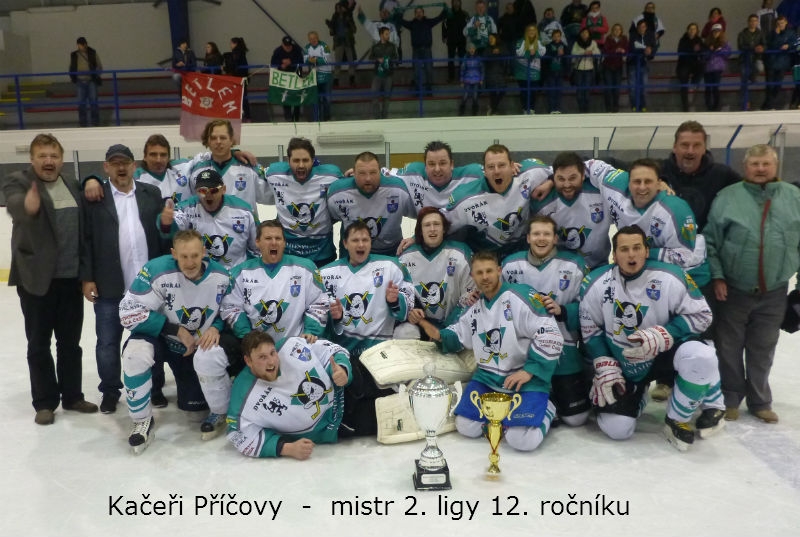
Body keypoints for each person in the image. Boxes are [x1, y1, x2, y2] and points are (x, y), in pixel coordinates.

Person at [580, 225, 724, 451]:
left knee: (702, 356)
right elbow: (590, 329)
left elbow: (702, 315)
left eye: (637, 248)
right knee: (617, 429)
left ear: (647, 251)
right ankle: (638, 394)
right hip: (624, 362)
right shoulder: (595, 282)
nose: (631, 254)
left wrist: (665, 334)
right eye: (624, 249)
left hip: (664, 354)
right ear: (614, 255)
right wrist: (604, 363)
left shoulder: (671, 276)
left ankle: (677, 418)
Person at [417, 250, 563, 452]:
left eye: (489, 271)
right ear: (473, 276)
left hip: (524, 380)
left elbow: (550, 333)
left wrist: (529, 370)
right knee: (466, 426)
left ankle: (547, 407)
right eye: (479, 273)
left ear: (499, 271)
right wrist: (436, 333)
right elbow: (458, 334)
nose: (485, 277)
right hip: (488, 380)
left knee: (522, 441)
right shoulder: (473, 306)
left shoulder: (521, 296)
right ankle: (506, 415)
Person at [2, 133, 98, 425]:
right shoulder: (19, 181)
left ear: (62, 159)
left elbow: (84, 228)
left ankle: (72, 396)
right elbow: (14, 204)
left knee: (70, 343)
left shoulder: (71, 183)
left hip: (70, 279)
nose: (48, 161)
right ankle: (44, 402)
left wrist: (92, 178)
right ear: (32, 160)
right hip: (36, 279)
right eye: (42, 156)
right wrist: (27, 206)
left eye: (53, 156)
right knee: (39, 344)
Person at [704, 144, 800, 424]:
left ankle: (760, 401)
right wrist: (718, 276)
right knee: (728, 346)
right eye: (755, 164)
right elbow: (710, 241)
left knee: (763, 347)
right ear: (745, 167)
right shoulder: (728, 197)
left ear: (775, 166)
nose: (760, 169)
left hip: (775, 290)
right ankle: (730, 397)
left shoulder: (794, 197)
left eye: (766, 163)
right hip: (733, 289)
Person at [119, 229, 231, 453]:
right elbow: (127, 313)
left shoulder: (222, 277)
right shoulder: (155, 270)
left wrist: (216, 327)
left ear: (204, 252)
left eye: (195, 256)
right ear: (173, 254)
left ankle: (216, 405)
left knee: (194, 412)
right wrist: (174, 329)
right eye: (184, 256)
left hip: (193, 349)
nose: (190, 263)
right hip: (160, 339)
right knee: (135, 354)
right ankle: (141, 420)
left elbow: (230, 311)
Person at [79, 144, 167, 415]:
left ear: (133, 166)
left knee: (152, 339)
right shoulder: (96, 197)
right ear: (106, 167)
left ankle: (155, 387)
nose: (120, 167)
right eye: (114, 163)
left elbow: (161, 235)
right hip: (110, 285)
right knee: (107, 343)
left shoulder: (151, 193)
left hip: (148, 289)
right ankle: (110, 391)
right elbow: (86, 240)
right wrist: (87, 278)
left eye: (125, 162)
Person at [320, 221, 415, 434]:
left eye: (365, 240)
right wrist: (336, 318)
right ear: (345, 243)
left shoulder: (391, 266)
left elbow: (408, 302)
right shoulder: (326, 273)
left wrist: (395, 301)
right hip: (346, 354)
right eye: (355, 240)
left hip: (379, 354)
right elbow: (317, 318)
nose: (361, 244)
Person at [502, 215, 590, 426]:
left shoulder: (575, 265)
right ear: (528, 238)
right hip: (524, 355)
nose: (541, 239)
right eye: (536, 234)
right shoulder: (510, 264)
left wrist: (563, 310)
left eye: (547, 234)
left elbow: (590, 309)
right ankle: (549, 407)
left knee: (577, 418)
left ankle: (555, 399)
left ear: (555, 239)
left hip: (564, 352)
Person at [226, 331, 351, 458]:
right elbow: (237, 434)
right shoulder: (241, 395)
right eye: (262, 357)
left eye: (272, 353)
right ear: (248, 361)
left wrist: (343, 369)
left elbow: (331, 350)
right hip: (336, 426)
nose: (271, 362)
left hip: (345, 389)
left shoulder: (291, 345)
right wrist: (287, 448)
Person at [445, 144, 551, 258]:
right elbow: (442, 225)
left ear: (512, 166)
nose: (496, 171)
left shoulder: (530, 173)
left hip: (523, 253)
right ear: (484, 171)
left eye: (502, 165)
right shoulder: (464, 199)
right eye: (491, 167)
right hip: (486, 259)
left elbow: (560, 172)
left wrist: (550, 182)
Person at [159, 169, 260, 271]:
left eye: (213, 190)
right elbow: (173, 224)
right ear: (196, 191)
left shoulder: (244, 210)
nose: (208, 195)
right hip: (199, 273)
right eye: (202, 191)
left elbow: (257, 247)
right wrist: (166, 223)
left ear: (223, 189)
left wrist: (247, 271)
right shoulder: (187, 207)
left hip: (237, 273)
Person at [264, 137, 343, 266]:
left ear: (313, 160)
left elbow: (349, 185)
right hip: (288, 255)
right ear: (288, 161)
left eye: (305, 160)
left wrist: (354, 175)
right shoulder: (274, 174)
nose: (301, 165)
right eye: (296, 160)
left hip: (323, 255)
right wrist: (237, 152)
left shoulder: (332, 176)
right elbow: (251, 170)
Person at [399, 207, 477, 334]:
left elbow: (469, 296)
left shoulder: (462, 253)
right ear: (420, 231)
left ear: (444, 229)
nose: (432, 229)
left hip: (455, 325)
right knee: (403, 333)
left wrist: (447, 330)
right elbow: (402, 297)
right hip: (421, 326)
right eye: (427, 225)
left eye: (436, 224)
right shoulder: (406, 257)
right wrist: (411, 313)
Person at [531, 151, 611, 269]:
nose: (567, 185)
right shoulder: (541, 201)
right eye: (561, 179)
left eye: (572, 178)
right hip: (558, 270)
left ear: (583, 175)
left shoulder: (601, 192)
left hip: (599, 267)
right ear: (554, 177)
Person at [327, 151, 415, 256]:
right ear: (353, 173)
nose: (368, 178)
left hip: (390, 253)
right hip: (352, 255)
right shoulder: (337, 193)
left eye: (373, 172)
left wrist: (415, 238)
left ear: (380, 171)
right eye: (362, 173)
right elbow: (328, 220)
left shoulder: (399, 190)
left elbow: (424, 215)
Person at [188, 119, 272, 212]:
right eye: (213, 138)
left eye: (223, 138)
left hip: (245, 221)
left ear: (231, 140)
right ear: (207, 141)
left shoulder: (249, 168)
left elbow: (273, 195)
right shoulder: (197, 169)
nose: (218, 142)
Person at [387, 140, 484, 213]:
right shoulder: (413, 173)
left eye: (442, 163)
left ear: (451, 164)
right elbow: (385, 174)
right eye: (432, 164)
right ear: (425, 167)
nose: (437, 169)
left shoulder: (473, 174)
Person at [399, 6, 447, 95]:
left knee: (429, 70)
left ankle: (429, 90)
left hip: (427, 50)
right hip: (416, 51)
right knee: (416, 72)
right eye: (417, 12)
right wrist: (398, 13)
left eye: (420, 12)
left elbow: (439, 18)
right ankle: (417, 90)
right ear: (415, 14)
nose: (418, 13)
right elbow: (400, 21)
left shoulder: (428, 22)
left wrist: (445, 10)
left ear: (423, 13)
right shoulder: (412, 24)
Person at [762, 15, 795, 110]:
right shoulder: (772, 33)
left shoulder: (791, 33)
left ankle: (768, 105)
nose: (781, 25)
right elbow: (770, 45)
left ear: (786, 22)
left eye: (782, 23)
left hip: (783, 63)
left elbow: (795, 42)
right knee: (770, 85)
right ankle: (768, 105)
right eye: (779, 23)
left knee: (777, 85)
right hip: (771, 63)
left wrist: (788, 46)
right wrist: (776, 35)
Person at [68, 37, 102, 127]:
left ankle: (95, 123)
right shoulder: (74, 55)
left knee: (93, 103)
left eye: (81, 45)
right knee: (81, 104)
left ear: (85, 44)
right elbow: (71, 67)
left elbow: (99, 66)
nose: (80, 47)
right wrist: (73, 77)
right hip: (80, 81)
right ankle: (83, 124)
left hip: (91, 81)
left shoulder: (92, 53)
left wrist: (95, 75)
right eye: (79, 45)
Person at [271, 36, 305, 122]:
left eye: (289, 45)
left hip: (296, 76)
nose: (288, 47)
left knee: (297, 96)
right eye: (286, 46)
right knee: (285, 96)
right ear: (282, 44)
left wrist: (291, 62)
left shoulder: (297, 49)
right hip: (284, 77)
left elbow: (301, 61)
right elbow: (273, 62)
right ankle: (288, 117)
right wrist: (281, 63)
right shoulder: (278, 51)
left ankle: (296, 117)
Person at [368, 26, 399, 119]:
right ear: (381, 35)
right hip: (377, 74)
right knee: (374, 96)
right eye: (386, 34)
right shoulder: (375, 47)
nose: (388, 36)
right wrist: (377, 59)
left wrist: (388, 59)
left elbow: (396, 58)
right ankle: (377, 117)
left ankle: (384, 118)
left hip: (388, 74)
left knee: (387, 97)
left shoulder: (392, 46)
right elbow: (370, 58)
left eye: (388, 34)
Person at [513, 24, 545, 114]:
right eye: (530, 30)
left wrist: (535, 53)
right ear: (526, 32)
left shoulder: (539, 41)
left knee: (533, 91)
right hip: (522, 72)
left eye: (533, 30)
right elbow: (519, 52)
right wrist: (529, 53)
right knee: (524, 92)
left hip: (535, 71)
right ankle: (525, 108)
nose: (531, 32)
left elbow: (543, 51)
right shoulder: (521, 41)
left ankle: (531, 108)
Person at [325, 0, 358, 87]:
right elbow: (332, 33)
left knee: (351, 61)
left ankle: (352, 78)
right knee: (338, 62)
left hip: (348, 42)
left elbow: (354, 29)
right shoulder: (335, 17)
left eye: (340, 7)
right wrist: (330, 27)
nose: (339, 9)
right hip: (339, 42)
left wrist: (348, 21)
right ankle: (336, 79)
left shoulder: (348, 16)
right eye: (337, 8)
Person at [738, 14, 766, 111]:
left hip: (756, 58)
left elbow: (765, 44)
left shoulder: (760, 33)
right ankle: (745, 103)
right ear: (748, 22)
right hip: (745, 59)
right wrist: (753, 48)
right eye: (751, 21)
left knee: (760, 68)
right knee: (744, 81)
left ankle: (752, 77)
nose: (753, 22)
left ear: (757, 22)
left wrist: (762, 48)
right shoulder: (742, 34)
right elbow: (741, 46)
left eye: (755, 21)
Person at [304, 31, 334, 122]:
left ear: (318, 37)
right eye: (311, 39)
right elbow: (305, 60)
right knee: (315, 99)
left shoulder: (324, 46)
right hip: (313, 77)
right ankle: (317, 119)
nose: (313, 40)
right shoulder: (307, 47)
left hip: (326, 76)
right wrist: (313, 60)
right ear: (308, 39)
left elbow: (327, 59)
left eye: (314, 38)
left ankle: (327, 118)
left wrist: (314, 60)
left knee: (327, 98)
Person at [628, 19, 657, 112]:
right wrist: (644, 50)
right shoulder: (633, 36)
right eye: (640, 27)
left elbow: (654, 48)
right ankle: (634, 106)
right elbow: (632, 47)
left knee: (644, 87)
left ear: (646, 28)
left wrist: (650, 51)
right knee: (632, 87)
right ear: (637, 28)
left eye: (643, 27)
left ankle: (643, 106)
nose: (641, 29)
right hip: (633, 63)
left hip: (644, 64)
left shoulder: (650, 36)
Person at [676, 23, 705, 112]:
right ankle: (685, 107)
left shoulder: (699, 40)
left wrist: (698, 50)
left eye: (694, 29)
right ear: (687, 30)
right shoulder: (683, 40)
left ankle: (693, 84)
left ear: (697, 31)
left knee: (702, 68)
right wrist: (693, 50)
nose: (692, 30)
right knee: (684, 84)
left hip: (694, 64)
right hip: (684, 64)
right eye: (690, 29)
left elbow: (702, 51)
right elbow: (680, 51)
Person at [571, 27, 600, 113]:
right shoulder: (576, 43)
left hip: (589, 69)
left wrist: (592, 52)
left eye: (586, 33)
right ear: (580, 34)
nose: (584, 34)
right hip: (578, 69)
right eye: (583, 33)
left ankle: (586, 110)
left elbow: (598, 53)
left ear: (589, 34)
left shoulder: (593, 43)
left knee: (587, 90)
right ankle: (581, 109)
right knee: (579, 90)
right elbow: (573, 53)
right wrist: (583, 53)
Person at [703, 24, 731, 111]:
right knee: (708, 88)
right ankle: (708, 106)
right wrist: (710, 50)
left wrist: (719, 50)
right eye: (714, 31)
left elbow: (728, 53)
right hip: (708, 68)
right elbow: (703, 55)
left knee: (715, 87)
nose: (716, 33)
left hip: (718, 67)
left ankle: (716, 106)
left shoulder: (725, 43)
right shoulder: (707, 43)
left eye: (718, 31)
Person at [223, 37, 250, 120]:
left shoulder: (236, 52)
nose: (230, 45)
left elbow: (233, 65)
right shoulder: (241, 52)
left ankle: (245, 115)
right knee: (242, 97)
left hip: (239, 78)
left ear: (235, 44)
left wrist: (225, 68)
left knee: (241, 97)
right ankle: (246, 115)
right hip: (242, 77)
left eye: (231, 43)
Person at [602, 23, 628, 113]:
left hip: (618, 66)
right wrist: (616, 50)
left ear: (621, 31)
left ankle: (615, 107)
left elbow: (627, 49)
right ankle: (608, 107)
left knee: (616, 88)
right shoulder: (608, 39)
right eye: (615, 29)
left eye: (619, 29)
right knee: (608, 87)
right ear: (612, 30)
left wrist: (623, 51)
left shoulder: (624, 39)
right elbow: (606, 51)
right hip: (608, 65)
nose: (617, 31)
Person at [443, 0, 470, 82]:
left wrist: (469, 35)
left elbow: (469, 26)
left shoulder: (465, 14)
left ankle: (463, 76)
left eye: (458, 1)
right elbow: (444, 26)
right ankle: (451, 77)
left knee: (462, 59)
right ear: (452, 3)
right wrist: (444, 36)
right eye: (454, 2)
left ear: (460, 3)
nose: (456, 3)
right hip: (451, 39)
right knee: (451, 59)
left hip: (462, 40)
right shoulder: (448, 14)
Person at [544, 28, 568, 114]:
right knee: (551, 91)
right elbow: (546, 56)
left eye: (558, 36)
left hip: (560, 72)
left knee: (559, 91)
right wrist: (556, 53)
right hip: (551, 72)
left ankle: (558, 109)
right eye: (555, 36)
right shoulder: (548, 46)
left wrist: (566, 70)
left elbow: (567, 58)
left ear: (560, 37)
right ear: (552, 37)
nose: (556, 38)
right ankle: (552, 109)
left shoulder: (564, 46)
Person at [484, 33, 508, 115]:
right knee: (493, 92)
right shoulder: (487, 48)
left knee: (503, 90)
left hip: (500, 73)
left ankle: (492, 107)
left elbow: (507, 53)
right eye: (489, 38)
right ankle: (494, 109)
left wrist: (499, 52)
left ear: (496, 39)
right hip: (490, 73)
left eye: (492, 38)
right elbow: (484, 57)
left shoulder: (502, 47)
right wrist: (492, 53)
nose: (490, 39)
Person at [459, 42, 483, 115]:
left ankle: (475, 110)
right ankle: (462, 109)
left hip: (476, 80)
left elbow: (482, 69)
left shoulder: (478, 58)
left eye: (473, 48)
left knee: (475, 96)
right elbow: (462, 69)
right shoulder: (465, 58)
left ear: (475, 49)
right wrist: (462, 81)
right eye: (470, 48)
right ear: (468, 50)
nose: (472, 50)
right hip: (467, 79)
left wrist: (481, 79)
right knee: (465, 95)